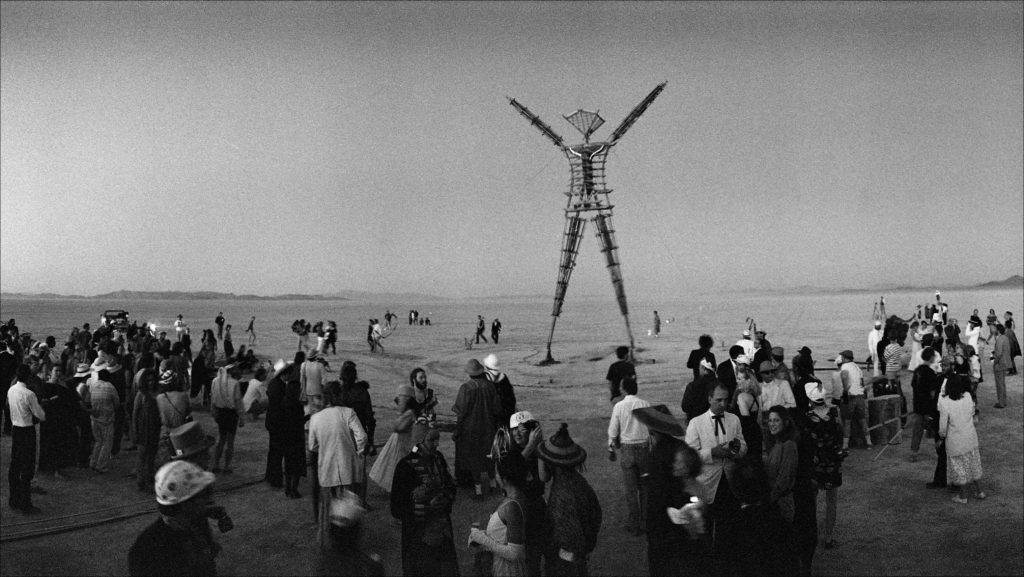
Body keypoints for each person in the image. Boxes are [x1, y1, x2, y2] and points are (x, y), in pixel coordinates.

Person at [684, 383, 746, 566]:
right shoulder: (696, 423)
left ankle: (727, 561)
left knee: (729, 526)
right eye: (718, 400)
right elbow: (690, 456)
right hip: (708, 483)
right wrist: (712, 452)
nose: (723, 403)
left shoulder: (734, 419)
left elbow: (743, 444)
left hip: (730, 481)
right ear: (709, 399)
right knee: (706, 526)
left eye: (726, 400)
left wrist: (738, 450)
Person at [128, 461, 225, 577]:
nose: (210, 500)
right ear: (185, 504)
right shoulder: (149, 550)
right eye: (203, 496)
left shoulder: (194, 521)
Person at [390, 427, 459, 577]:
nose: (436, 444)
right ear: (419, 442)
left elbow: (450, 486)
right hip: (418, 536)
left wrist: (445, 500)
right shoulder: (405, 467)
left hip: (442, 530)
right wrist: (426, 507)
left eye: (437, 439)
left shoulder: (438, 459)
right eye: (431, 440)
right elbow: (396, 508)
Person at [308, 380, 368, 549]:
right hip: (347, 468)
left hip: (327, 470)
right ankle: (350, 540)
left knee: (327, 506)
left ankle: (327, 540)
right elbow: (362, 436)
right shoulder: (348, 413)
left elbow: (312, 446)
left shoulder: (316, 418)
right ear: (340, 395)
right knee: (348, 505)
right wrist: (359, 453)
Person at [536, 423, 601, 577]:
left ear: (552, 463)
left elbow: (568, 536)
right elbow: (596, 513)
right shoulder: (579, 482)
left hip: (566, 562)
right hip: (579, 556)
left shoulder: (562, 494)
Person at [467, 450, 532, 577]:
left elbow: (514, 553)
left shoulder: (512, 506)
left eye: (497, 473)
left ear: (505, 479)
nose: (496, 476)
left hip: (507, 570)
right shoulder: (515, 498)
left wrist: (484, 540)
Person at [799, 382, 845, 549]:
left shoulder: (806, 417)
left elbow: (805, 443)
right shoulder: (834, 412)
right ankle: (828, 537)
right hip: (832, 461)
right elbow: (841, 433)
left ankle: (811, 534)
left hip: (815, 463)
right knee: (831, 501)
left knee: (812, 501)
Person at [607, 374, 651, 535]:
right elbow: (651, 429)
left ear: (624, 389)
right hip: (644, 450)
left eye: (620, 387)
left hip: (627, 451)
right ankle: (646, 522)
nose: (619, 389)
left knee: (631, 490)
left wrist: (611, 448)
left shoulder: (619, 406)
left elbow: (613, 430)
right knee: (645, 489)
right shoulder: (644, 404)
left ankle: (634, 524)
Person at [453, 359, 502, 494]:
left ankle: (478, 490)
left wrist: (457, 430)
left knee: (473, 458)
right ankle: (492, 484)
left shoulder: (466, 388)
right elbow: (497, 409)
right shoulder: (490, 386)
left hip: (471, 430)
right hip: (489, 429)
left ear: (470, 374)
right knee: (489, 455)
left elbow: (461, 413)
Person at [368, 377, 422, 493]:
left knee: (397, 465)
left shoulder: (409, 413)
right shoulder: (410, 412)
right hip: (400, 442)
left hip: (402, 443)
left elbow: (399, 428)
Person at [938, 375, 985, 504]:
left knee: (959, 468)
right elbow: (972, 413)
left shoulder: (945, 402)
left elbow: (943, 426)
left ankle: (963, 496)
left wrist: (941, 436)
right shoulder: (968, 397)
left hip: (955, 440)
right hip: (970, 437)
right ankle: (979, 491)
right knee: (974, 463)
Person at [265, 354, 307, 497]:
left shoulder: (273, 384)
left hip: (272, 422)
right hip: (278, 424)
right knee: (278, 453)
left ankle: (272, 477)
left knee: (274, 452)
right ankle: (276, 479)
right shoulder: (281, 387)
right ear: (285, 374)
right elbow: (282, 408)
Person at [7, 364, 46, 513]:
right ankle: (25, 504)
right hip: (27, 431)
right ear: (29, 377)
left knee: (15, 465)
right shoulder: (29, 394)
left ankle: (14, 499)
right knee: (27, 468)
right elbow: (40, 415)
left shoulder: (11, 390)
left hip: (16, 429)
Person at [764, 405, 798, 525]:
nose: (772, 424)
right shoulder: (774, 443)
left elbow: (785, 478)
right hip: (773, 502)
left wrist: (768, 499)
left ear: (785, 422)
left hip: (781, 504)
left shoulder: (788, 446)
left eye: (776, 420)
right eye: (770, 420)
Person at [131, 366, 162, 492]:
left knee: (152, 457)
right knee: (142, 456)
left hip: (155, 429)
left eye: (152, 380)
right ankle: (141, 481)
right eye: (148, 380)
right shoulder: (141, 394)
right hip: (143, 429)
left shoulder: (158, 393)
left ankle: (149, 478)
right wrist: (135, 430)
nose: (151, 382)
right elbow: (135, 414)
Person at [908, 347, 942, 463]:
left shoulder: (917, 370)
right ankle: (940, 453)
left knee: (917, 431)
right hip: (928, 407)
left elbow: (913, 385)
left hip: (918, 405)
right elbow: (933, 392)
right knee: (937, 430)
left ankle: (913, 452)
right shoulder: (931, 373)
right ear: (932, 357)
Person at [210, 364, 244, 474]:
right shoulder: (235, 383)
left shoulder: (215, 381)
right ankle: (227, 466)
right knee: (230, 442)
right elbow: (238, 401)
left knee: (221, 439)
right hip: (231, 414)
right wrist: (241, 417)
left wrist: (213, 412)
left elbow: (213, 398)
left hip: (220, 413)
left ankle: (215, 464)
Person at [339, 360, 376, 458]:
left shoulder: (338, 393)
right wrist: (370, 441)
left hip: (342, 434)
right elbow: (370, 418)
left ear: (341, 377)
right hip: (360, 432)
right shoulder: (362, 391)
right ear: (355, 377)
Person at [838, 350, 872, 450]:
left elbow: (844, 377)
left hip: (851, 396)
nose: (841, 358)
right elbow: (862, 382)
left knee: (847, 421)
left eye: (842, 357)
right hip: (860, 396)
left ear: (844, 358)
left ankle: (845, 446)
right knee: (863, 420)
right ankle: (869, 442)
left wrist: (845, 391)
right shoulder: (857, 367)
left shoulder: (845, 366)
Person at [156, 370, 192, 465]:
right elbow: (188, 412)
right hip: (181, 433)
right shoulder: (183, 396)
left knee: (166, 460)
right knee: (180, 457)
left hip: (165, 432)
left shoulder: (159, 398)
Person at [89, 368, 120, 473]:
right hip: (106, 419)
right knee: (107, 443)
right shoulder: (110, 387)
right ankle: (101, 465)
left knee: (98, 441)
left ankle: (93, 462)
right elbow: (116, 403)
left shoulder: (93, 386)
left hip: (94, 417)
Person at [731, 362, 763, 461]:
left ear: (748, 380)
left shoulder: (741, 397)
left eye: (740, 379)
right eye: (737, 378)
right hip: (756, 431)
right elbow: (759, 416)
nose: (737, 381)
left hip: (747, 434)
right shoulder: (756, 395)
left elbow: (745, 420)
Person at [679, 359, 718, 425]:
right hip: (717, 421)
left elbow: (685, 407)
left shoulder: (692, 386)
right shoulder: (720, 385)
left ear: (704, 368)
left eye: (700, 367)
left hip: (697, 422)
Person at [484, 353, 517, 428]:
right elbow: (511, 396)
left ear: (486, 366)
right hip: (505, 411)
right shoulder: (503, 377)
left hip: (490, 413)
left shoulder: (485, 378)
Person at [991, 324, 1011, 409]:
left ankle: (1001, 403)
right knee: (1002, 383)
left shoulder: (999, 339)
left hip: (1000, 363)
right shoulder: (1005, 338)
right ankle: (1004, 401)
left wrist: (994, 362)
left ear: (998, 330)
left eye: (994, 329)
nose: (993, 330)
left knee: (999, 384)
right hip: (1006, 362)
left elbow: (998, 354)